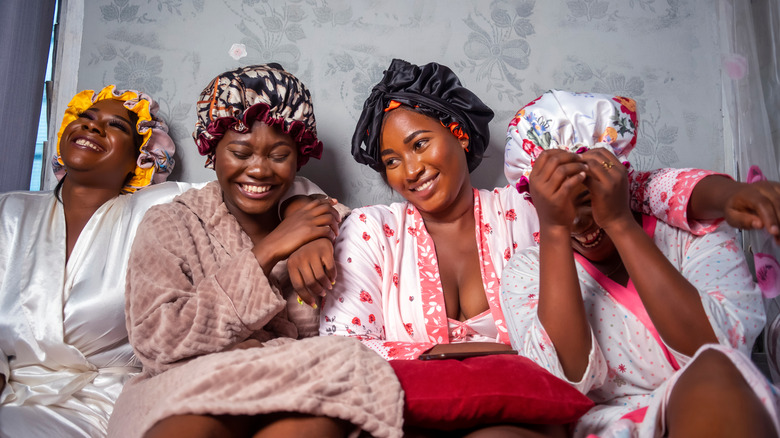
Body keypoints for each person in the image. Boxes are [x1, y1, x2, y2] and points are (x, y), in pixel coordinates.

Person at [318, 59, 780, 436]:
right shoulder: (372, 229)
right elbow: (341, 347)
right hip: (418, 408)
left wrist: (728, 194)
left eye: (420, 144)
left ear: (457, 132)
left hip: (524, 410)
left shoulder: (526, 209)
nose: (411, 170)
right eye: (391, 161)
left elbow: (645, 188)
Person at [107, 64, 404, 438]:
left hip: (296, 385)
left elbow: (352, 335)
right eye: (241, 152)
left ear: (299, 158)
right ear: (213, 150)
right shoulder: (170, 224)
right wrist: (269, 251)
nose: (259, 170)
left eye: (278, 155)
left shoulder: (337, 225)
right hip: (191, 385)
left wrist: (315, 230)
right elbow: (157, 340)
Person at [499, 89, 779, 437]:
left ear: (618, 183)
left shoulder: (687, 236)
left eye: (587, 200)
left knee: (715, 372)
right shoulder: (526, 271)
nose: (579, 224)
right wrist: (553, 229)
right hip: (608, 427)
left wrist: (618, 222)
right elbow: (560, 380)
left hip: (717, 406)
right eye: (558, 211)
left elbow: (718, 348)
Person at [0, 85, 180, 437]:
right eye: (85, 117)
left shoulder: (158, 212)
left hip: (100, 406)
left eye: (117, 126)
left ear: (140, 157)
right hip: (9, 394)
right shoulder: (9, 212)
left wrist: (296, 214)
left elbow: (260, 186)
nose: (92, 127)